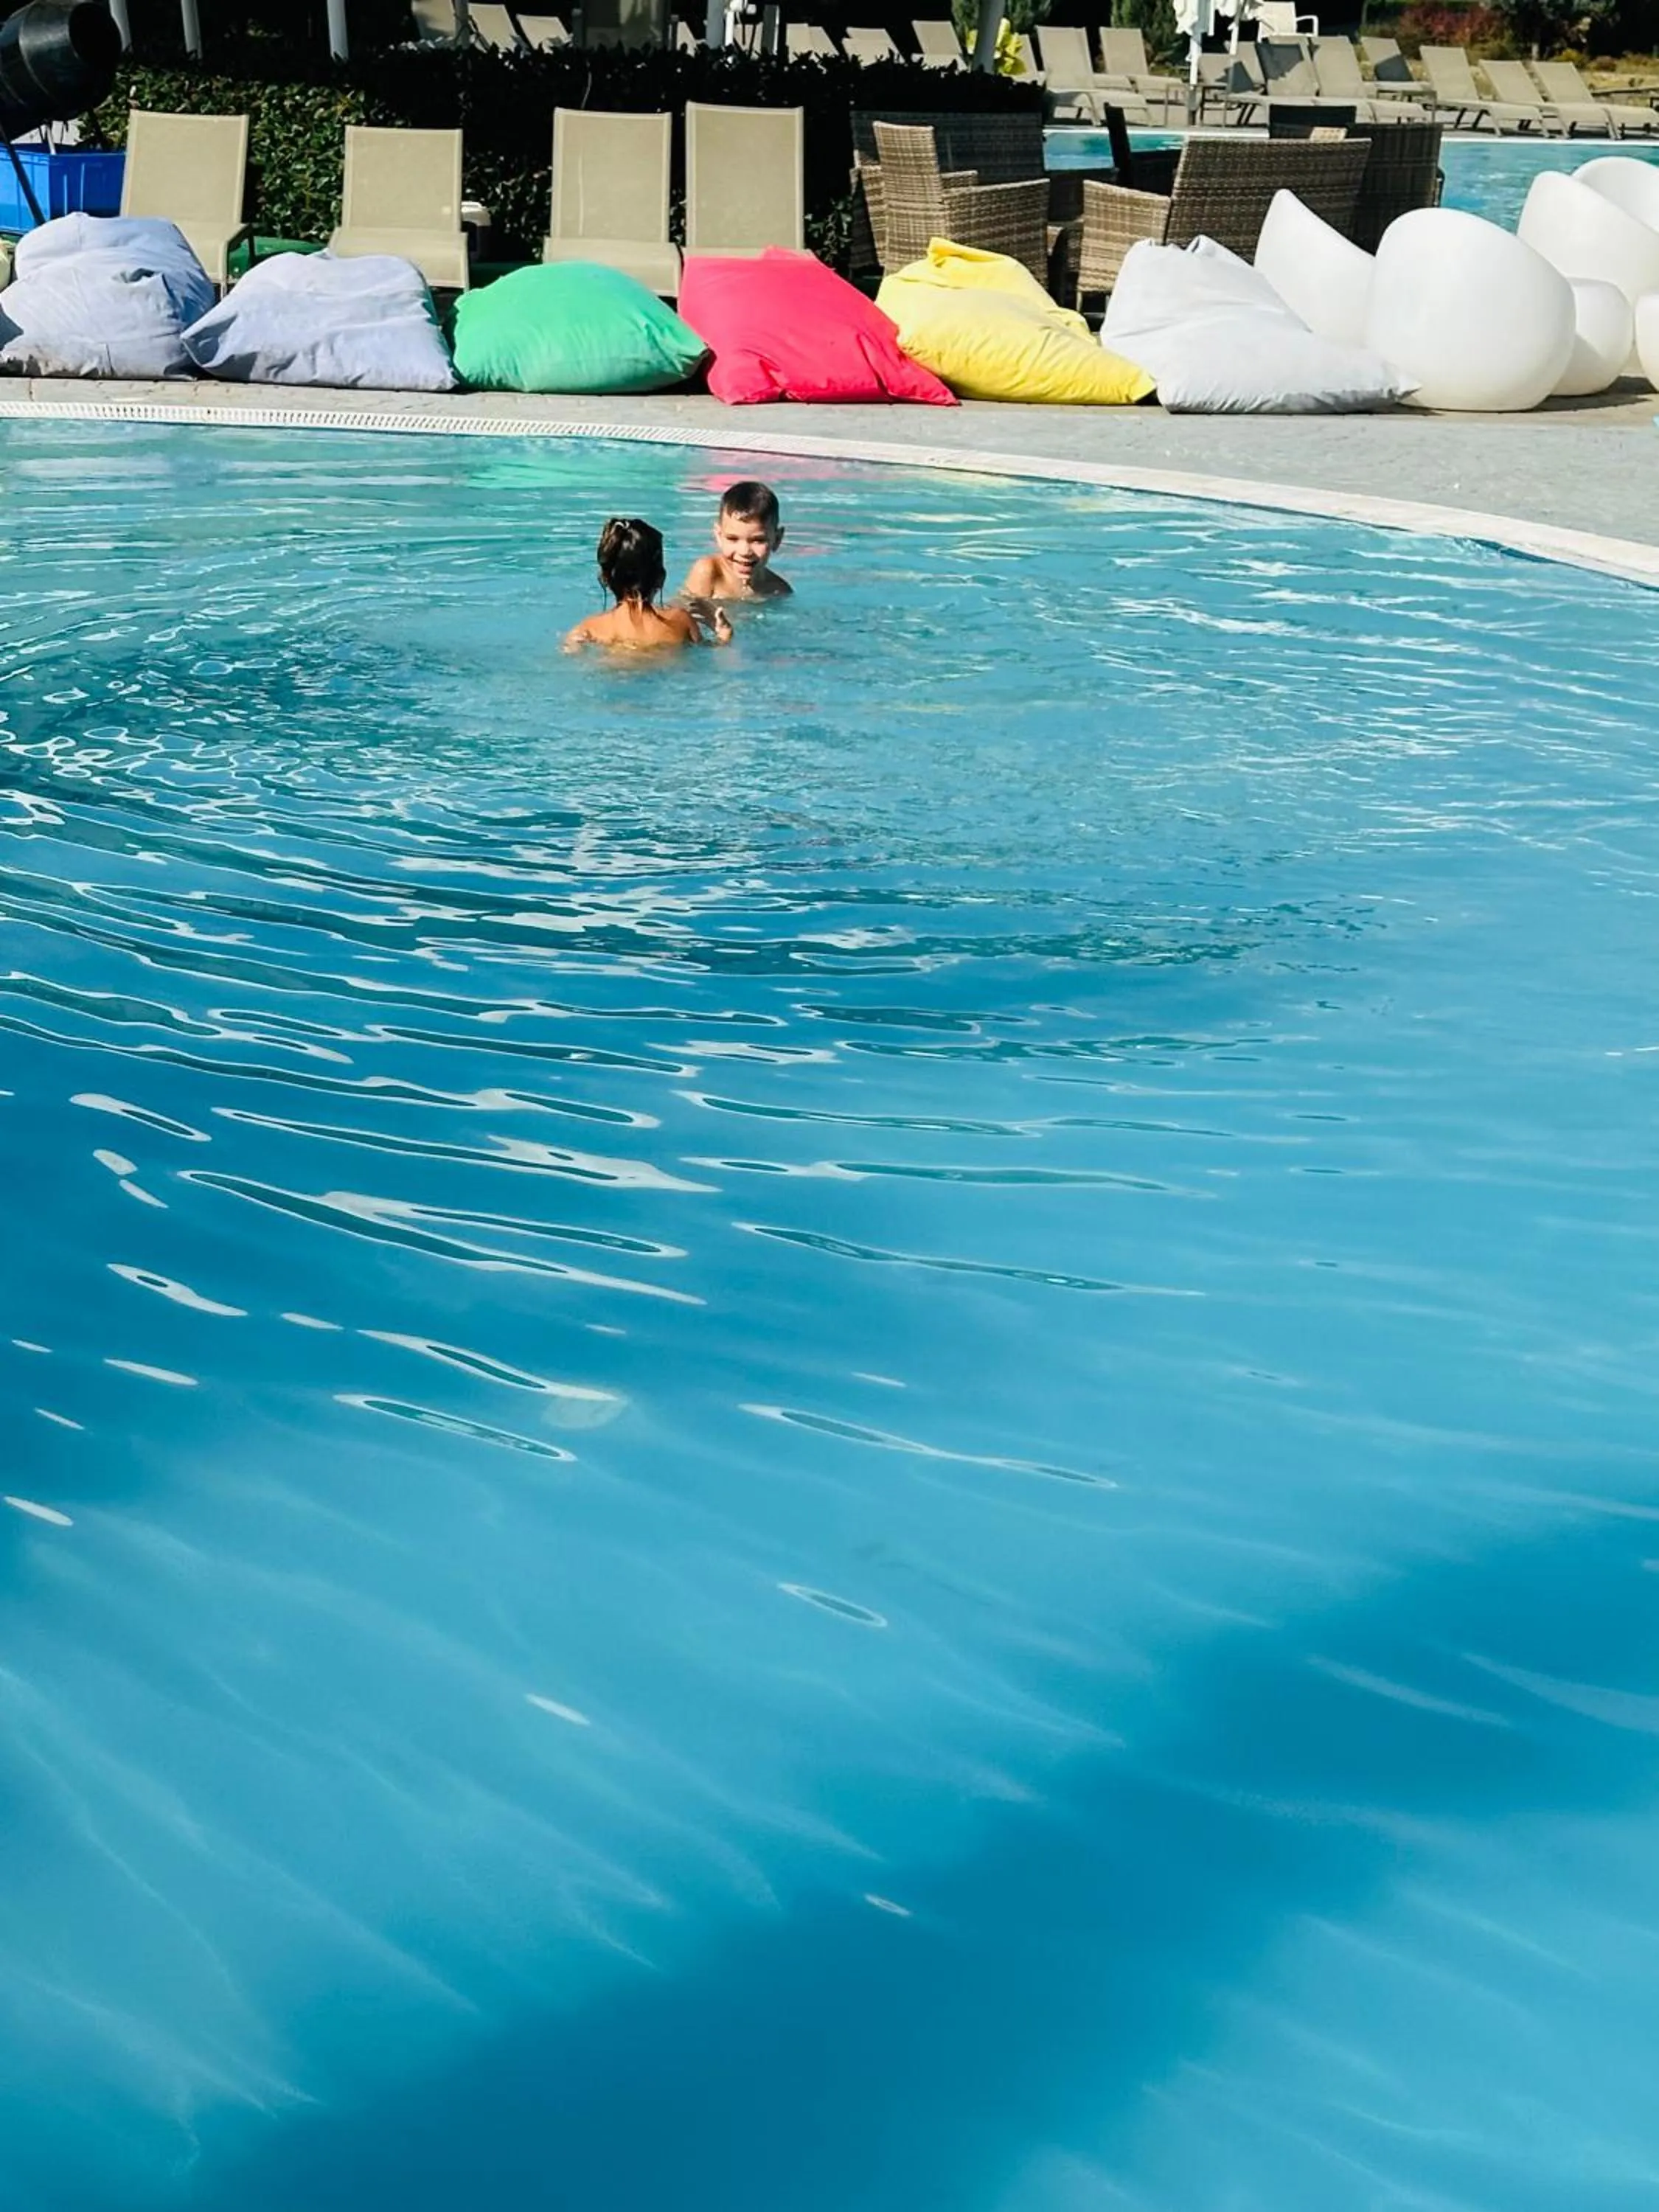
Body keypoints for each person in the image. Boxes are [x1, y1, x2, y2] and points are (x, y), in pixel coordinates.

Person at [566, 518, 732, 652]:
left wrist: (572, 646)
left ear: (605, 578)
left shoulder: (590, 629)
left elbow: (570, 653)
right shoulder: (681, 622)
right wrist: (724, 634)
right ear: (661, 578)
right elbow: (709, 653)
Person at [679, 481, 793, 608]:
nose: (744, 551)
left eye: (758, 540)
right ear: (719, 536)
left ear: (777, 539)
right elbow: (680, 617)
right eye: (732, 539)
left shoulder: (779, 591)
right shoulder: (709, 572)